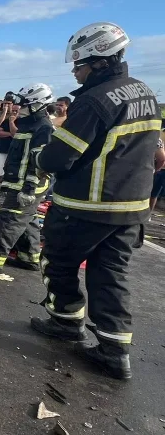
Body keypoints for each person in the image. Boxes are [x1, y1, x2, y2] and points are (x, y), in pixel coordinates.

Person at [30, 22, 161, 380]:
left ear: (99, 61)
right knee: (110, 274)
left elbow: (59, 159)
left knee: (57, 262)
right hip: (132, 209)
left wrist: (40, 156)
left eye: (79, 65)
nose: (75, 72)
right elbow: (159, 155)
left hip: (87, 206)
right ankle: (115, 352)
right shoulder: (145, 93)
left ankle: (65, 323)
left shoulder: (95, 100)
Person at [0, 83, 54, 272]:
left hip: (28, 184)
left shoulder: (43, 129)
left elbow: (39, 164)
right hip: (19, 181)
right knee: (27, 219)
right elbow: (17, 156)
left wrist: (29, 189)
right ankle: (29, 257)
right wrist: (7, 181)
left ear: (36, 104)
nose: (19, 107)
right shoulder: (27, 124)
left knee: (9, 220)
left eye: (23, 104)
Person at [0, 102, 19, 193]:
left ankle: (9, 192)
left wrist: (12, 123)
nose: (14, 113)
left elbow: (16, 133)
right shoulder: (6, 121)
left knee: (12, 173)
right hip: (3, 149)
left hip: (16, 152)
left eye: (17, 111)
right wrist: (10, 134)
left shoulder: (23, 122)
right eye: (14, 111)